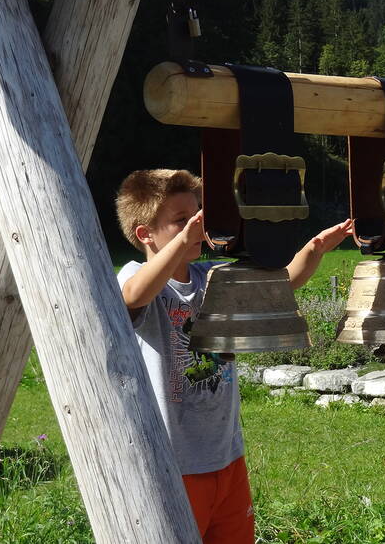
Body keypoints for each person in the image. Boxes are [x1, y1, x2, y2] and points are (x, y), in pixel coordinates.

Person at [115, 168, 352, 542]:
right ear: (145, 233)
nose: (196, 228)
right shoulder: (135, 276)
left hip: (226, 453)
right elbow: (133, 296)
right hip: (176, 464)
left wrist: (314, 248)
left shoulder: (211, 276)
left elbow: (284, 282)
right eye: (182, 221)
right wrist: (182, 243)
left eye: (199, 217)